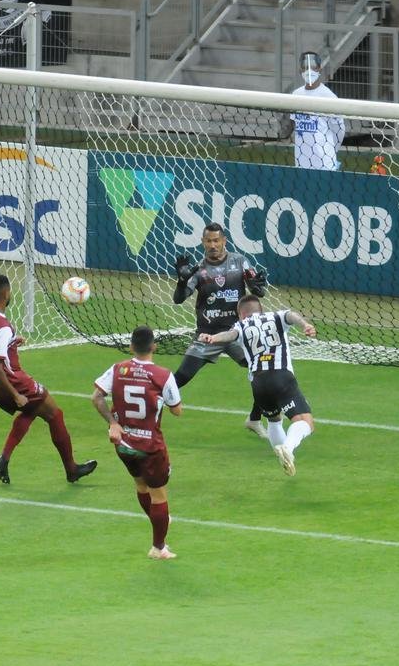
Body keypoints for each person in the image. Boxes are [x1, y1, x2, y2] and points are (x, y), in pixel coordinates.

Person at [0, 274, 97, 486]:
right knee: (55, 414)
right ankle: (71, 469)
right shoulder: (2, 326)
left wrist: (8, 343)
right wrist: (16, 394)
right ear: (7, 294)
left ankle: (4, 459)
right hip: (9, 381)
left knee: (33, 409)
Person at [199, 294, 317, 476]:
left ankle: (286, 456)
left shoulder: (242, 325)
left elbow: (230, 335)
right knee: (304, 421)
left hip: (258, 383)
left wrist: (213, 338)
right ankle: (287, 447)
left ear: (241, 314)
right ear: (260, 309)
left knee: (274, 420)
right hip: (281, 376)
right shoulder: (275, 316)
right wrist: (305, 325)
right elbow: (291, 315)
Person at [92, 326, 183, 561]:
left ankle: (157, 520)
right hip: (150, 446)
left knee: (141, 486)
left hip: (123, 443)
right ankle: (158, 547)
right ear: (154, 347)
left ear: (131, 346)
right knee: (159, 495)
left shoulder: (118, 369)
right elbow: (177, 411)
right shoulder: (163, 375)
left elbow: (96, 397)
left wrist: (113, 422)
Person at [173, 221, 268, 437]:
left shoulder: (239, 262)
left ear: (224, 240)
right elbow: (178, 299)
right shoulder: (199, 270)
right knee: (181, 377)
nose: (213, 245)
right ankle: (151, 407)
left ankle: (254, 419)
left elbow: (258, 291)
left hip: (238, 333)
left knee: (266, 371)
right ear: (202, 242)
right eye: (209, 241)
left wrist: (257, 285)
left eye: (217, 240)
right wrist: (181, 281)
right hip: (208, 335)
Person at [285, 51, 345, 171]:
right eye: (305, 68)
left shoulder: (329, 97)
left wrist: (330, 150)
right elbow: (295, 125)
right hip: (301, 162)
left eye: (313, 67)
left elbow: (339, 131)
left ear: (319, 69)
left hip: (325, 163)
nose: (309, 71)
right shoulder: (296, 95)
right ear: (300, 70)